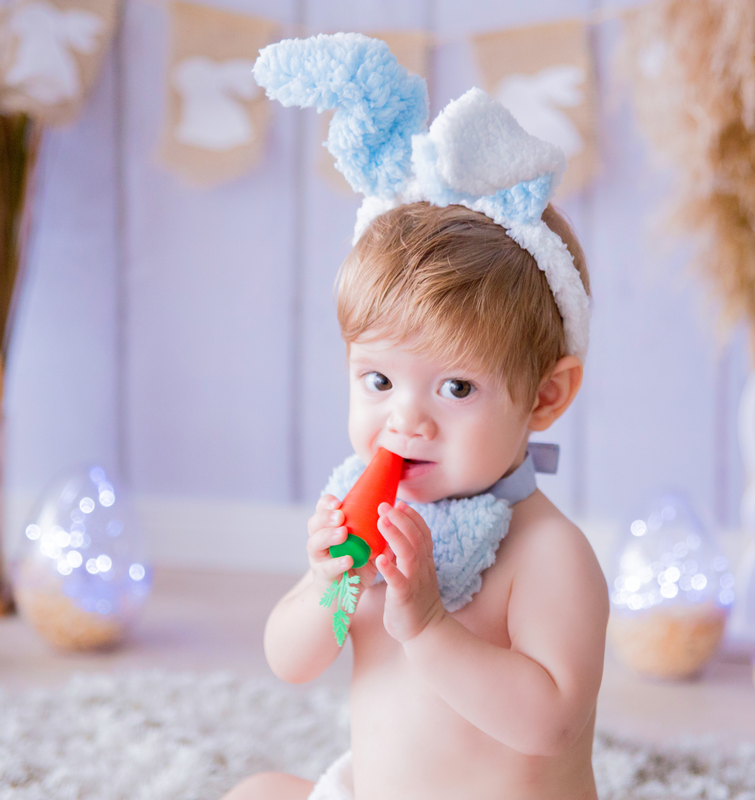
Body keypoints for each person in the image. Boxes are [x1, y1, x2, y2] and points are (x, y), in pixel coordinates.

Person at [224, 33, 608, 800]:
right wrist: (329, 583)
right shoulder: (372, 520)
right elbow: (292, 661)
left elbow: (552, 724)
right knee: (257, 793)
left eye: (456, 388)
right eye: (378, 380)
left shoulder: (548, 555)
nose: (408, 421)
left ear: (544, 397)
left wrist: (430, 625)